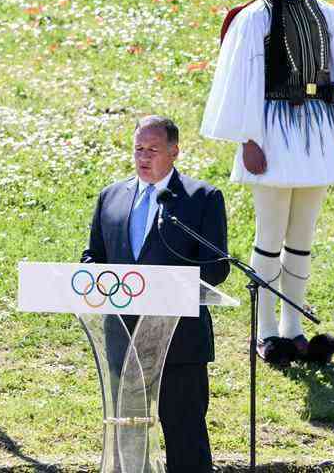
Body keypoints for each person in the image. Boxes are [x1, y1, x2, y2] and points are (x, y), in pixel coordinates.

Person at [201, 0, 334, 368]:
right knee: (270, 236)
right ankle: (264, 332)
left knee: (302, 240)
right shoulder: (254, 18)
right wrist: (248, 139)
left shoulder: (329, 16)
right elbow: (240, 81)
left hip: (316, 131)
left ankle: (292, 328)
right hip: (273, 131)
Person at [81, 115, 229, 473]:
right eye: (138, 149)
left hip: (178, 341)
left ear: (174, 152)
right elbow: (93, 258)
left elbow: (216, 266)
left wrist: (167, 287)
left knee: (184, 433)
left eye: (153, 150)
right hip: (122, 339)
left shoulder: (201, 198)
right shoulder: (111, 197)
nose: (143, 157)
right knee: (126, 433)